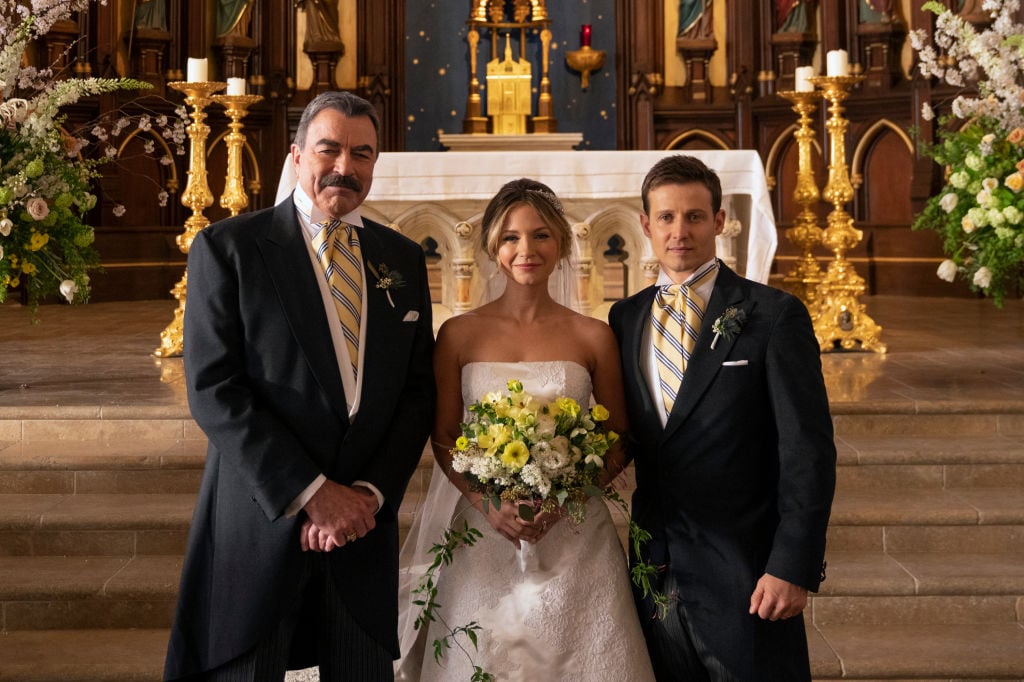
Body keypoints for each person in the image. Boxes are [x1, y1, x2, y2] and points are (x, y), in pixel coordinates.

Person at [163, 91, 436, 681]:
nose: (345, 166)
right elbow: (215, 388)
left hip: (361, 530)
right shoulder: (230, 248)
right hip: (262, 519)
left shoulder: (401, 258)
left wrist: (367, 495)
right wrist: (312, 493)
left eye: (362, 154)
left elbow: (417, 393)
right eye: (328, 149)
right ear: (296, 155)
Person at [395, 178, 656, 681]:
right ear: (493, 246)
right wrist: (485, 503)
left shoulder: (593, 335)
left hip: (575, 532)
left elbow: (620, 438)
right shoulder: (458, 334)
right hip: (486, 529)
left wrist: (568, 496)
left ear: (562, 243)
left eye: (541, 235)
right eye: (511, 237)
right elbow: (445, 436)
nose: (526, 250)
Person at [608, 155, 835, 681]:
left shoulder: (773, 315)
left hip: (748, 572)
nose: (679, 232)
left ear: (719, 221)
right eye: (666, 217)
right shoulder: (625, 317)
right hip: (655, 570)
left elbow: (807, 453)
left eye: (694, 216)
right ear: (645, 224)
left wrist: (791, 565)